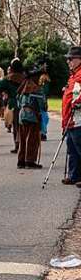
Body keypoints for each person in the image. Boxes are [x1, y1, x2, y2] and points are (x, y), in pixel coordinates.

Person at [17, 67, 47, 169]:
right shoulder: (36, 89)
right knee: (32, 139)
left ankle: (21, 161)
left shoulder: (23, 86)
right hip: (33, 116)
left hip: (21, 116)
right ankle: (30, 161)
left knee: (23, 139)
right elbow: (42, 105)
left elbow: (18, 102)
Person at [62, 45, 81, 185]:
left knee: (79, 147)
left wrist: (77, 102)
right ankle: (73, 175)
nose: (68, 61)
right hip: (70, 118)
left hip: (78, 118)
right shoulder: (73, 75)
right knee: (71, 148)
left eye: (70, 59)